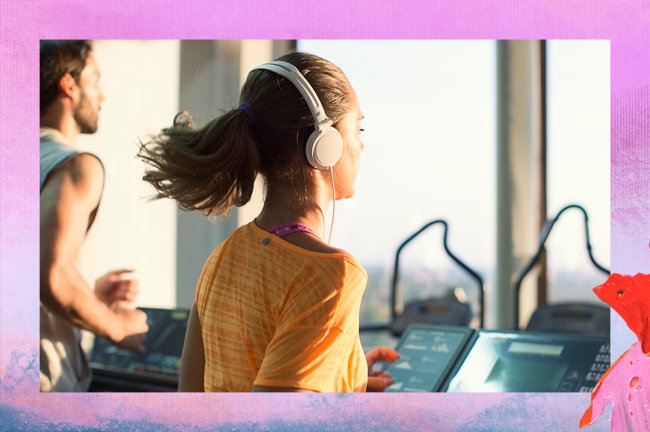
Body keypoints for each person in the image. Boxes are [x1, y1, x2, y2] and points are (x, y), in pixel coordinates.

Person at [140, 51, 399, 392]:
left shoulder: (222, 259)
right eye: (358, 127)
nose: (362, 145)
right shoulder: (331, 276)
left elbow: (190, 402)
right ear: (325, 143)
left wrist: (339, 378)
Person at [40, 40, 149, 391]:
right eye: (95, 80)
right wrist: (118, 327)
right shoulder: (76, 166)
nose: (102, 96)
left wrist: (88, 292)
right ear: (69, 85)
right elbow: (53, 278)